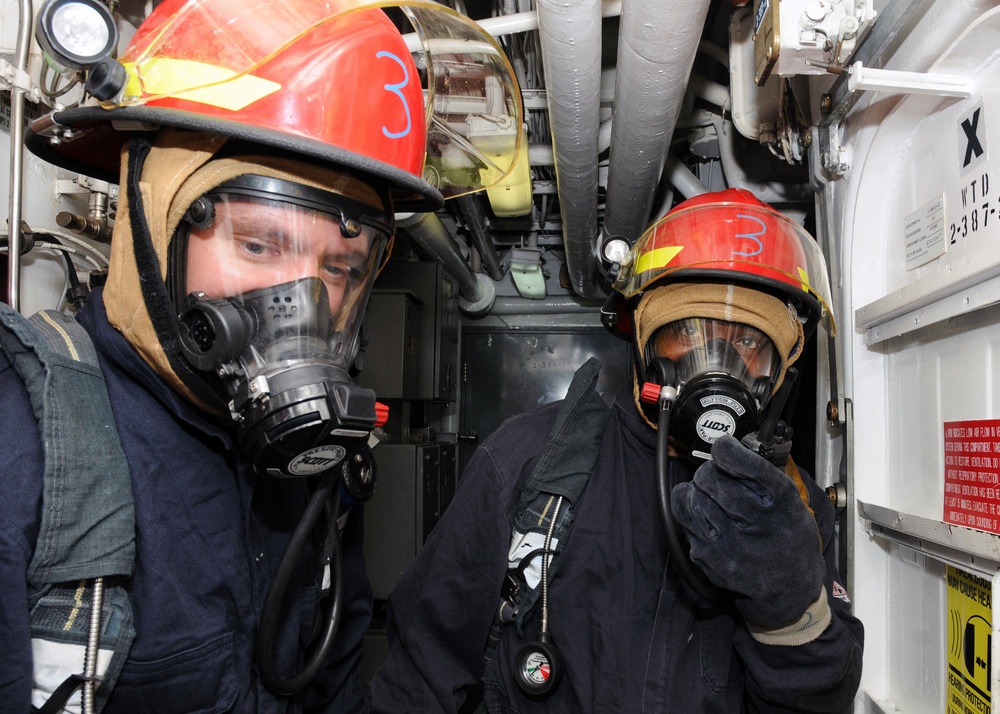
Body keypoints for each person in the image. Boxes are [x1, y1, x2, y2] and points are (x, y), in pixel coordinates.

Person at [1, 0, 521, 711]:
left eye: (340, 267)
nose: (303, 302)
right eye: (259, 243)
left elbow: (332, 677)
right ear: (153, 222)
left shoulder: (311, 469)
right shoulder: (23, 439)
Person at [371, 188, 864, 713]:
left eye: (746, 341)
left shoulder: (789, 509)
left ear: (778, 371)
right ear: (645, 345)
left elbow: (819, 702)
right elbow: (421, 675)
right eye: (690, 331)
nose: (718, 363)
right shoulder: (527, 461)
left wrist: (791, 613)